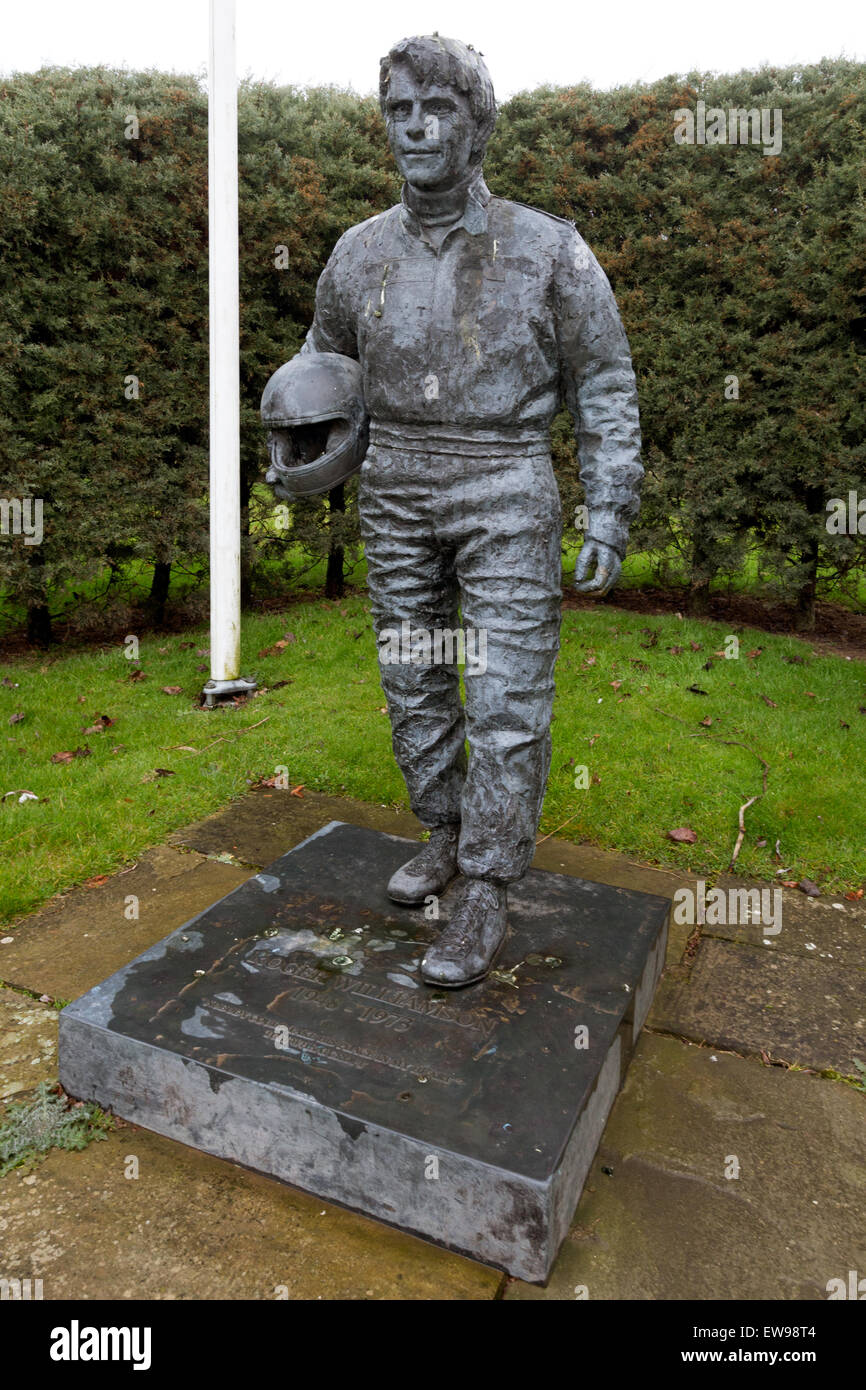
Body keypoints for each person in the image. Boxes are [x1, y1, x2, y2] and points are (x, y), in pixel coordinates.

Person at [301, 34, 643, 987]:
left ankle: (488, 887)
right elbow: (321, 368)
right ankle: (445, 832)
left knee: (503, 694)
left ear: (476, 124)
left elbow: (605, 381)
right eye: (399, 110)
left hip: (504, 484)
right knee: (415, 679)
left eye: (437, 109)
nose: (415, 127)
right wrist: (304, 450)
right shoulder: (356, 253)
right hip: (399, 485)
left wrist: (608, 507)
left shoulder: (549, 250)